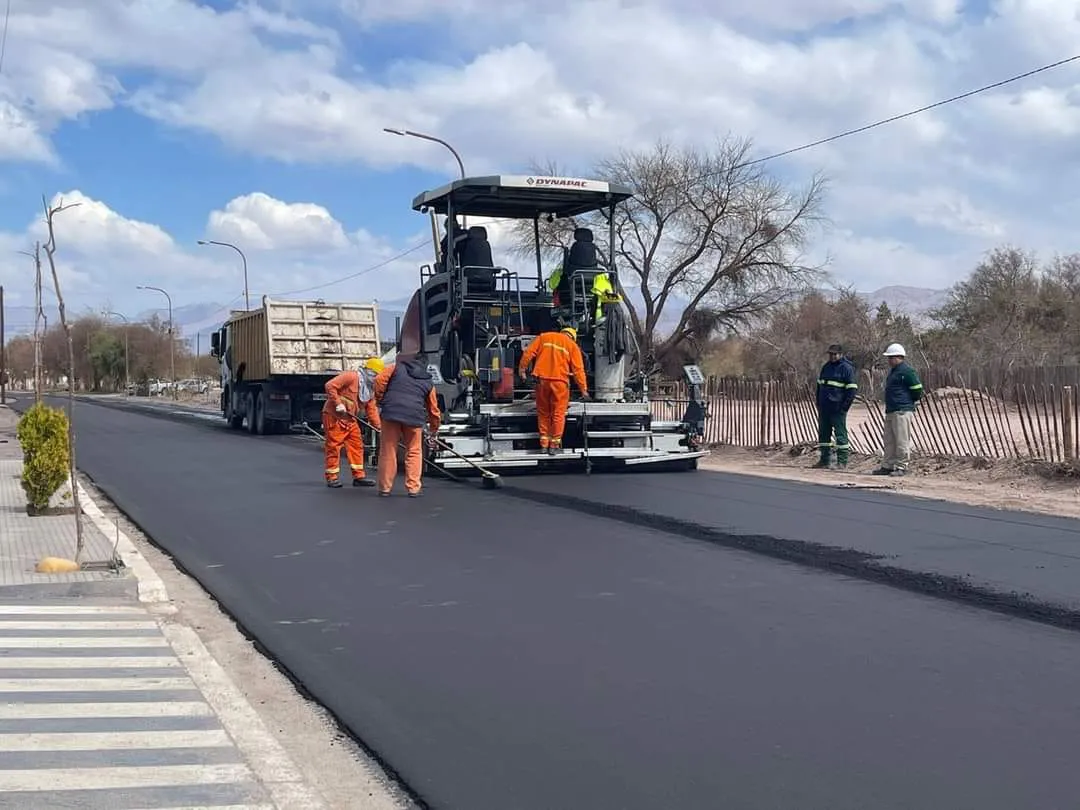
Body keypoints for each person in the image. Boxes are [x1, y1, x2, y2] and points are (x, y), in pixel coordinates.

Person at [373, 355, 442, 497]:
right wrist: (434, 430)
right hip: (414, 417)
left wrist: (380, 399)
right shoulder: (428, 381)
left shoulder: (395, 368)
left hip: (391, 413)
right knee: (414, 451)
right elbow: (434, 409)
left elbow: (379, 380)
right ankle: (413, 488)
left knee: (388, 450)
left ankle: (385, 488)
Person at [517, 326, 589, 454]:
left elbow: (528, 353)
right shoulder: (572, 346)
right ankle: (554, 445)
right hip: (560, 383)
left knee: (543, 412)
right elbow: (578, 370)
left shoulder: (544, 337)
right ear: (573, 337)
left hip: (541, 380)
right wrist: (583, 390)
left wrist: (522, 370)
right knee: (558, 413)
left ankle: (544, 445)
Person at [323, 358, 384, 488]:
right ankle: (332, 477)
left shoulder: (370, 390)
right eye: (374, 374)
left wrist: (379, 428)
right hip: (334, 416)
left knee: (357, 446)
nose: (375, 378)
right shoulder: (351, 377)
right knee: (334, 446)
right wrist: (338, 403)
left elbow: (371, 410)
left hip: (350, 419)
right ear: (368, 371)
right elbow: (330, 386)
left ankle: (359, 477)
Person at [873, 343, 924, 477]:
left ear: (899, 357)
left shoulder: (907, 371)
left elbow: (917, 389)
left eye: (891, 357)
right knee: (889, 439)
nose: (889, 360)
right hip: (891, 409)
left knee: (902, 440)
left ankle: (902, 466)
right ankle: (888, 465)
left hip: (902, 410)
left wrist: (908, 402)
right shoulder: (894, 372)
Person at [813, 343, 858, 469]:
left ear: (841, 354)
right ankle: (824, 460)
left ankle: (842, 462)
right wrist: (818, 402)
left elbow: (852, 390)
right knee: (823, 435)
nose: (832, 356)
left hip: (838, 408)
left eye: (835, 354)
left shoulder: (846, 368)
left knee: (840, 435)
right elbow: (819, 386)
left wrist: (844, 407)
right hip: (824, 407)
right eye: (830, 354)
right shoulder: (826, 367)